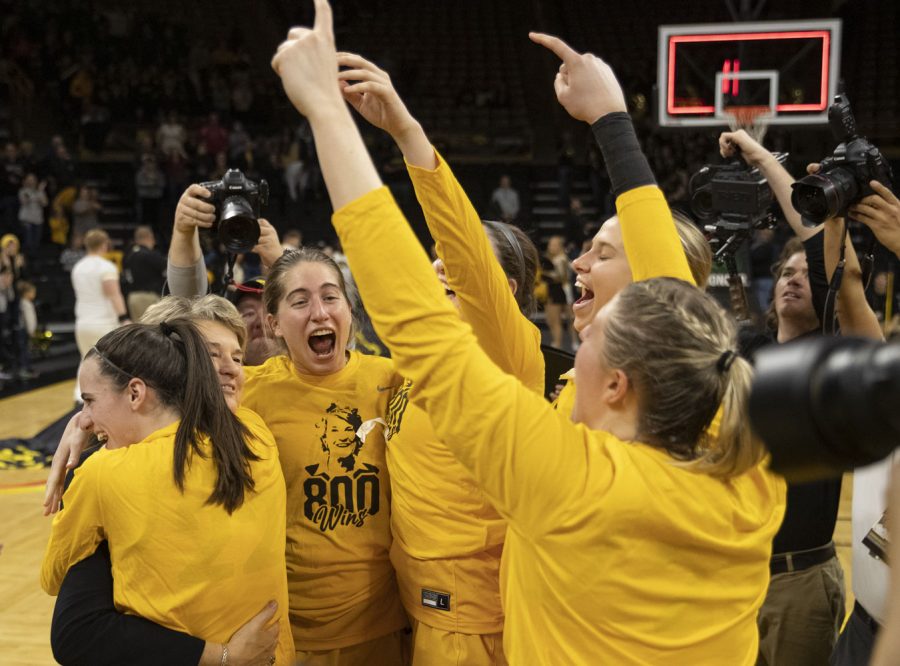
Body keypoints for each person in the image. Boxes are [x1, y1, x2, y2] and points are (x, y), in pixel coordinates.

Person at [270, 7, 784, 662]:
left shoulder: (572, 479)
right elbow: (673, 289)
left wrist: (326, 113)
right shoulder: (747, 463)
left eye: (591, 343)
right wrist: (611, 125)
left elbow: (423, 328)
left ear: (620, 383)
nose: (568, 358)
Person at [337, 50, 543, 663]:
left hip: (475, 618)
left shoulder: (505, 350)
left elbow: (467, 256)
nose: (437, 263)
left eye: (452, 259)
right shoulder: (417, 361)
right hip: (414, 603)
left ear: (502, 291)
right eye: (435, 255)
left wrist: (408, 133)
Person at [43, 295, 292, 666]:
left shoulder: (106, 473)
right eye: (210, 356)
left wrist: (91, 431)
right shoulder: (255, 431)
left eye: (237, 358)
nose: (230, 371)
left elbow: (58, 592)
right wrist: (91, 418)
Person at [71, 229, 129, 400]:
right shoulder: (106, 266)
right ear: (104, 245)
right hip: (103, 322)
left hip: (82, 322)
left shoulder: (78, 267)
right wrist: (124, 318)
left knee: (85, 359)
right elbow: (113, 293)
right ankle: (107, 400)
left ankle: (79, 396)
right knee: (108, 364)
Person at [122, 225, 166, 321]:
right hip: (148, 298)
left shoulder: (128, 255)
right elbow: (167, 270)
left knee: (138, 330)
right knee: (152, 329)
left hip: (132, 297)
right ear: (148, 237)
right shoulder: (150, 255)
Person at [17, 172, 48, 259]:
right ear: (25, 181)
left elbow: (45, 203)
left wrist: (40, 192)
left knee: (36, 243)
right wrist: (37, 195)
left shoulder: (40, 191)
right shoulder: (22, 191)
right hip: (27, 220)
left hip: (38, 220)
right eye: (29, 180)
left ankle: (34, 264)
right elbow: (24, 201)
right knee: (28, 242)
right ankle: (25, 262)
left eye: (33, 180)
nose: (31, 182)